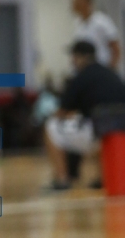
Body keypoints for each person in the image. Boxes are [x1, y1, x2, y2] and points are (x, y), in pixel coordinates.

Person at [44, 39, 125, 190]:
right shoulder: (111, 73)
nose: (72, 61)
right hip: (121, 132)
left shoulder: (81, 77)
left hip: (99, 132)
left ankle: (62, 179)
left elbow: (62, 112)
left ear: (83, 57)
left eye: (74, 57)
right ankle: (103, 177)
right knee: (98, 125)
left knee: (52, 127)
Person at [71, 0, 120, 69]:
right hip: (85, 71)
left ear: (87, 2)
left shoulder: (102, 21)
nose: (74, 5)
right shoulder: (77, 23)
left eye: (77, 2)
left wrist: (110, 70)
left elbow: (116, 49)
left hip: (102, 68)